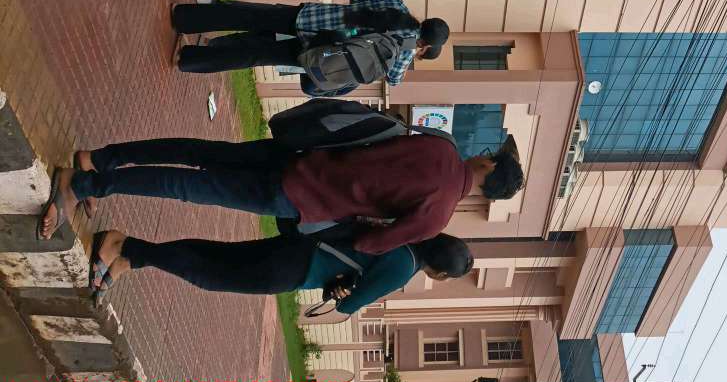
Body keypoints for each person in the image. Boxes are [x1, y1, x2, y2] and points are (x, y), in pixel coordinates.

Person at [36, 133, 525, 257]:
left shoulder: (442, 146)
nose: (484, 153)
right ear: (488, 195)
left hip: (299, 153)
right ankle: (81, 185)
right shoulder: (437, 216)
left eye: (489, 155)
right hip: (301, 197)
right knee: (187, 186)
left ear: (487, 165)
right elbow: (370, 243)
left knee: (198, 151)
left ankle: (100, 159)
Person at [83, 225, 471, 306]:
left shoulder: (405, 236)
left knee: (217, 254)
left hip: (301, 246)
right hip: (296, 271)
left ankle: (131, 259)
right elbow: (350, 304)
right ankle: (125, 245)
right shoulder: (403, 268)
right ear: (439, 273)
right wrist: (347, 292)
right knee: (208, 275)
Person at [171, 0, 449, 90]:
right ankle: (187, 59)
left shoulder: (397, 5)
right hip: (321, 54)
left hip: (313, 19)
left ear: (425, 20)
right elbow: (393, 80)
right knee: (256, 56)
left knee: (249, 17)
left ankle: (184, 18)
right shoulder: (404, 54)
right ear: (425, 45)